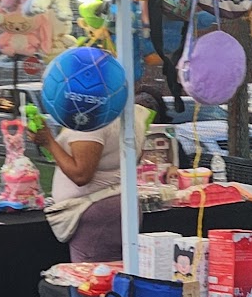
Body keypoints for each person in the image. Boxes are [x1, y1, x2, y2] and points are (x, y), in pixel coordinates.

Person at [31, 80, 168, 263]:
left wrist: (49, 142)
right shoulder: (127, 113)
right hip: (120, 205)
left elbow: (81, 174)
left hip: (97, 214)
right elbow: (133, 158)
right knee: (118, 276)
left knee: (93, 282)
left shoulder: (88, 117)